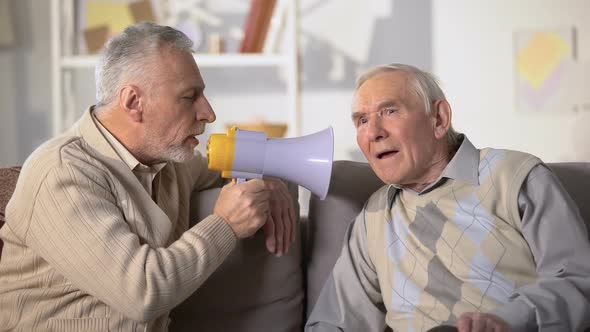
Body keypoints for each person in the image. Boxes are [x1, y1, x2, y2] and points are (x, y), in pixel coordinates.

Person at [0, 22, 296, 331]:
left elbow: (217, 169)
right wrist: (225, 225)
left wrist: (264, 178)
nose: (209, 113)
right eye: (189, 97)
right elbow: (141, 293)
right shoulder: (61, 172)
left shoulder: (170, 161)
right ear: (133, 103)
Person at [306, 64, 590, 331]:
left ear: (439, 119)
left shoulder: (515, 177)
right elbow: (334, 323)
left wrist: (506, 320)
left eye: (390, 111)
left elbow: (578, 280)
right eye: (362, 120)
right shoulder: (372, 218)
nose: (373, 133)